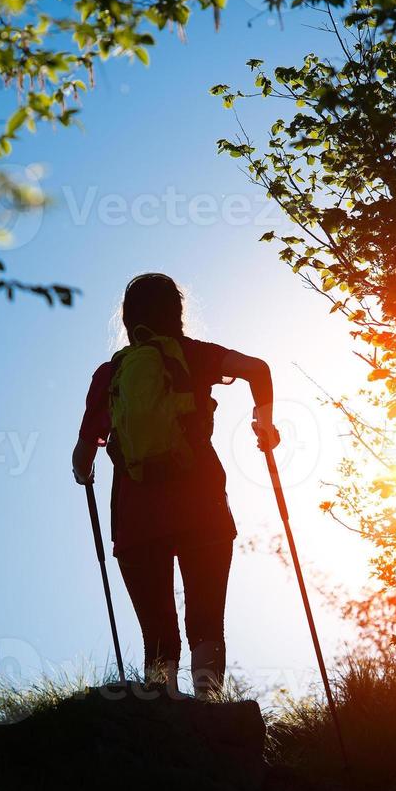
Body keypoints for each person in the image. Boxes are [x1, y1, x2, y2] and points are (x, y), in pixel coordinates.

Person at [72, 273, 279, 698]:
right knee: (206, 619)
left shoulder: (111, 373)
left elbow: (83, 455)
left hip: (135, 517)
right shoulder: (193, 354)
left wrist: (87, 470)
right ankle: (210, 706)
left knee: (158, 632)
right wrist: (264, 422)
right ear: (177, 314)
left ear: (129, 320)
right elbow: (257, 369)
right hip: (201, 505)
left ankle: (163, 718)